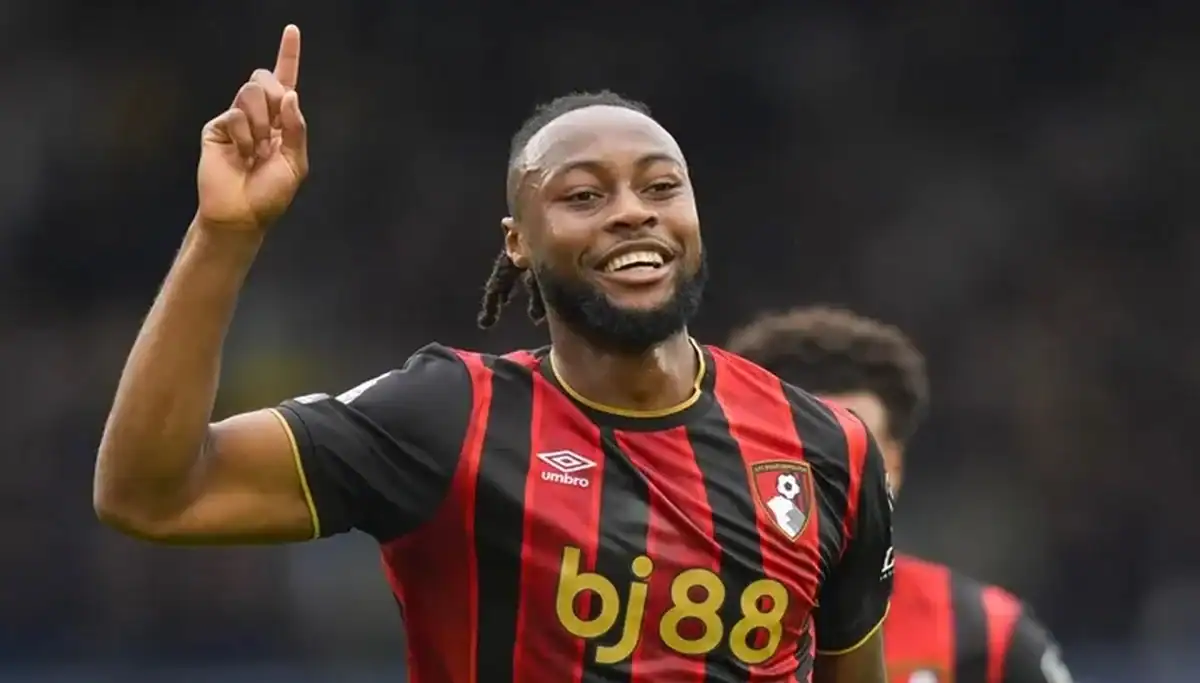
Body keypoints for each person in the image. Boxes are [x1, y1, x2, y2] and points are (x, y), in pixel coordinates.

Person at [93, 25, 893, 683]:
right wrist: (224, 233)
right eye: (583, 195)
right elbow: (149, 495)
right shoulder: (446, 419)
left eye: (660, 187)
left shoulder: (827, 449)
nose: (631, 213)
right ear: (518, 244)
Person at [726, 306, 1076, 683]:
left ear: (893, 466)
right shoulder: (686, 614)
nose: (829, 479)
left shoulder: (986, 636)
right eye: (802, 450)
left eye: (854, 451)